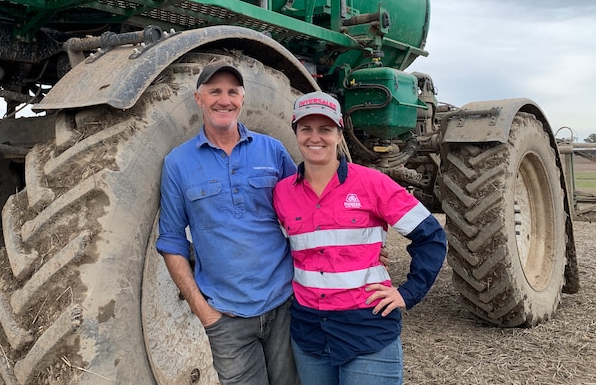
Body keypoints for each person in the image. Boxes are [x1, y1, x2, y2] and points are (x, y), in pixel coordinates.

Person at [272, 91, 447, 385]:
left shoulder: (371, 183)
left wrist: (407, 293)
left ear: (340, 133)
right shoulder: (282, 193)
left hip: (366, 330)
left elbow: (431, 235)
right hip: (310, 334)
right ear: (296, 132)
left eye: (325, 129)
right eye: (307, 129)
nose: (316, 137)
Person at [156, 60, 300, 385]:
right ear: (198, 98)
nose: (225, 100)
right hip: (227, 319)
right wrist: (204, 312)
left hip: (283, 308)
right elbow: (172, 241)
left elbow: (308, 212)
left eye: (232, 91)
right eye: (215, 91)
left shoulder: (273, 151)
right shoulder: (177, 164)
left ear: (243, 98)